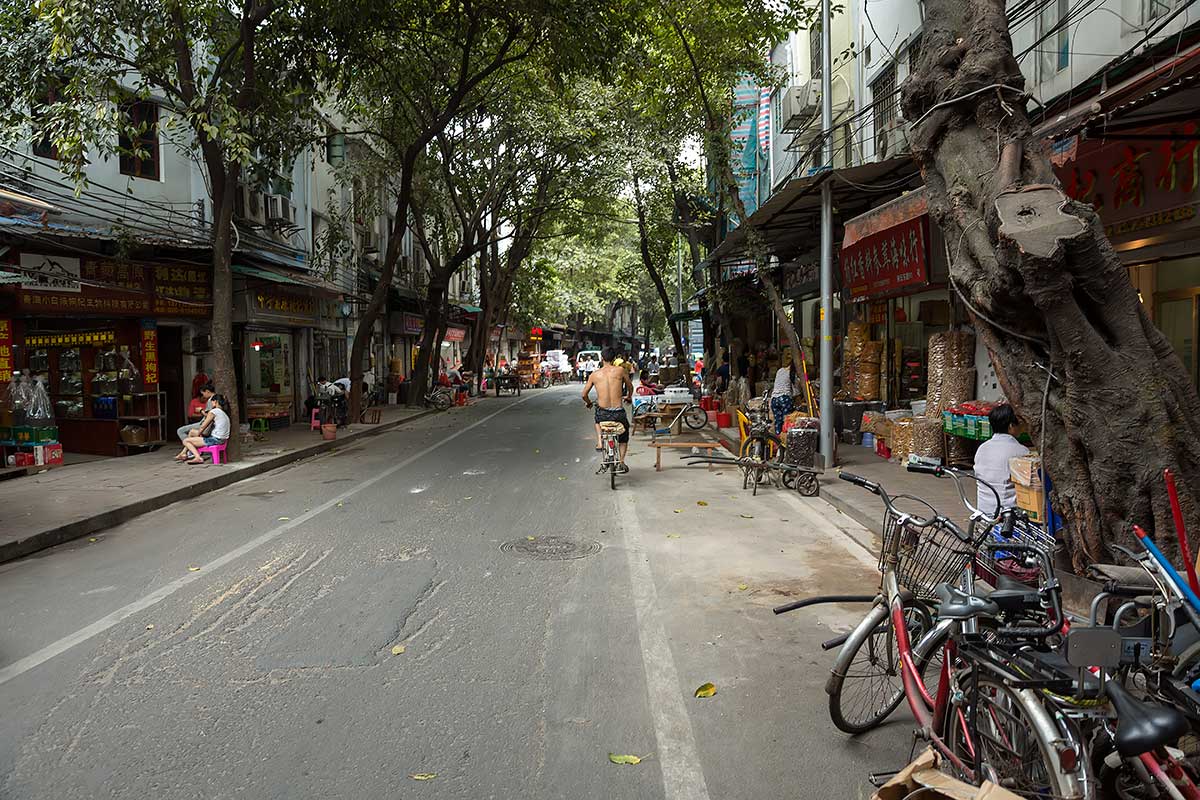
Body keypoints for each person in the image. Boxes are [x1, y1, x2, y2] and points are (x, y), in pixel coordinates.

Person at [582, 346, 634, 471]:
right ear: (615, 358)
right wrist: (628, 397)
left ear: (602, 358)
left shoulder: (594, 375)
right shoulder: (620, 370)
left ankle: (600, 441)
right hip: (618, 414)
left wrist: (589, 403)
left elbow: (584, 395)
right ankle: (621, 461)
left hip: (603, 414)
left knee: (597, 420)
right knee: (624, 435)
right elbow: (630, 387)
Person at [973, 404, 1030, 518]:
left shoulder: (982, 448)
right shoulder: (1021, 451)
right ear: (1011, 426)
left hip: (984, 508)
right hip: (1006, 512)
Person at [183, 394, 231, 464]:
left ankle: (197, 457)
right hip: (222, 440)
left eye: (212, 402)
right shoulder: (224, 413)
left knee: (186, 441)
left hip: (215, 440)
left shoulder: (214, 411)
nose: (211, 404)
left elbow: (203, 426)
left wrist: (198, 435)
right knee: (193, 435)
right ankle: (186, 453)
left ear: (215, 402)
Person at [175, 382, 216, 461]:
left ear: (207, 391)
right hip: (204, 423)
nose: (203, 396)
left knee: (181, 430)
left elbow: (209, 416)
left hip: (206, 424)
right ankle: (185, 452)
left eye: (203, 393)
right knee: (190, 432)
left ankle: (190, 450)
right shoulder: (215, 399)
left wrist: (200, 411)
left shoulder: (212, 400)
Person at [770, 360, 799, 435]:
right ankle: (785, 440)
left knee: (778, 422)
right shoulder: (792, 375)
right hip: (784, 400)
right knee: (787, 421)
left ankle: (777, 440)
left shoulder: (780, 370)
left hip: (774, 399)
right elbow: (796, 392)